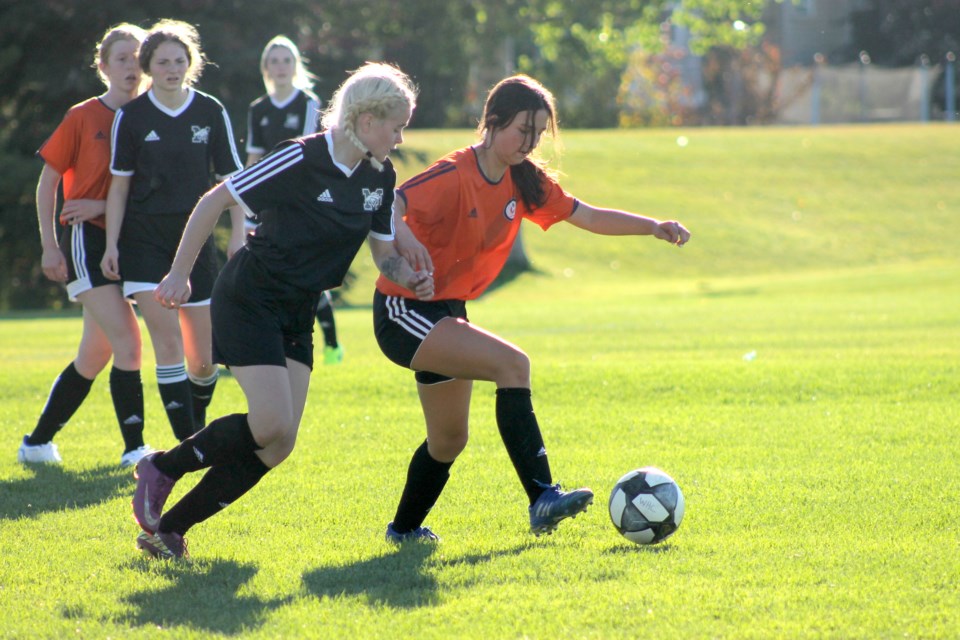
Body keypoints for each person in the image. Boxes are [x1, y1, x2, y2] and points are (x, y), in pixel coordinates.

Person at [132, 62, 430, 559]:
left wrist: (409, 276)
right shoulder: (298, 158)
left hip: (298, 308)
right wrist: (180, 274)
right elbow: (213, 201)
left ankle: (168, 530)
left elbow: (383, 254)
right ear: (366, 120)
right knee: (270, 422)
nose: (400, 137)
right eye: (396, 126)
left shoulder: (381, 177)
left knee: (279, 443)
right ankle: (161, 466)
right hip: (250, 296)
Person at [375, 74, 691, 543]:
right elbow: (388, 203)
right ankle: (542, 495)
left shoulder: (524, 181)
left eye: (539, 132)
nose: (532, 141)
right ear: (493, 121)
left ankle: (402, 530)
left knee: (448, 440)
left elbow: (587, 215)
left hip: (447, 313)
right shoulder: (454, 173)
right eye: (524, 129)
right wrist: (405, 253)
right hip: (403, 310)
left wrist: (652, 227)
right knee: (513, 364)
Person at [101, 20, 245, 444]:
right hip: (143, 240)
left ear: (191, 64)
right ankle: (190, 445)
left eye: (179, 61)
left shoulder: (210, 110)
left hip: (196, 243)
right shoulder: (131, 116)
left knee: (203, 362)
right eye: (162, 61)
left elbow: (233, 183)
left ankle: (194, 426)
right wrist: (111, 244)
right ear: (148, 66)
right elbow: (119, 185)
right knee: (167, 345)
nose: (171, 68)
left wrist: (239, 233)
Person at [17, 24, 154, 468]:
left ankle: (36, 443)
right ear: (103, 66)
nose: (132, 67)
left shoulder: (153, 116)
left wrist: (102, 201)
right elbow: (48, 185)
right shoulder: (83, 116)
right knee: (130, 342)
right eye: (122, 59)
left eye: (138, 58)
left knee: (95, 354)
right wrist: (49, 246)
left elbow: (152, 190)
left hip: (130, 241)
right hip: (86, 240)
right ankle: (135, 449)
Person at [245, 35, 344, 366]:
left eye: (286, 60)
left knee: (304, 274)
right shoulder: (258, 109)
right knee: (280, 272)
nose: (280, 66)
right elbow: (254, 160)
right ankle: (271, 342)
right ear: (266, 68)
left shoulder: (309, 103)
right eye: (274, 61)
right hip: (270, 202)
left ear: (295, 65)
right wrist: (246, 200)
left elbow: (302, 154)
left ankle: (327, 342)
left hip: (304, 201)